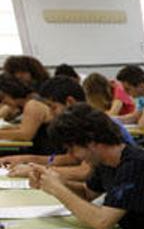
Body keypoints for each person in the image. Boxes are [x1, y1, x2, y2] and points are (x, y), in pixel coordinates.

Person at [0, 76, 135, 179]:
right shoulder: (81, 122)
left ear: (69, 102)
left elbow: (84, 172)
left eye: (53, 107)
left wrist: (35, 170)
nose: (51, 114)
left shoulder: (94, 124)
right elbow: (72, 159)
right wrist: (26, 159)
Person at [0, 75, 60, 156]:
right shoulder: (31, 101)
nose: (3, 102)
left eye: (3, 98)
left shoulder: (33, 105)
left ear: (11, 92)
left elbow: (25, 135)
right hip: (39, 149)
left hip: (46, 153)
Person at [1, 56, 50, 121]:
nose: (18, 76)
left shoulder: (46, 89)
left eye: (23, 72)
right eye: (14, 73)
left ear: (34, 72)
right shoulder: (10, 88)